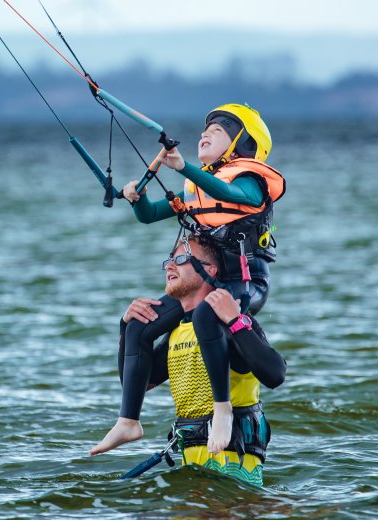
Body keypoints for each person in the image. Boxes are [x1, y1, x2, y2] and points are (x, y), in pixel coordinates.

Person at [91, 104, 285, 456]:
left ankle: (223, 409)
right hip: (210, 286)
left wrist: (184, 167)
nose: (205, 134)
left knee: (207, 315)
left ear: (242, 144)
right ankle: (127, 421)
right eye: (204, 129)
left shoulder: (250, 181)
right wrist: (138, 198)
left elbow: (234, 197)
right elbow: (150, 215)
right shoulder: (198, 190)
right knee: (138, 323)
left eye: (219, 130)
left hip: (246, 281)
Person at [94, 236, 286, 486]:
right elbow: (139, 383)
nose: (169, 266)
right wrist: (126, 328)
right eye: (169, 260)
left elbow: (276, 374)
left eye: (181, 259)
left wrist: (234, 321)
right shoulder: (178, 333)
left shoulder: (229, 322)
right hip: (193, 473)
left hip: (232, 478)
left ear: (210, 269)